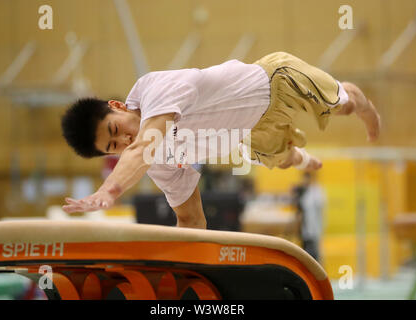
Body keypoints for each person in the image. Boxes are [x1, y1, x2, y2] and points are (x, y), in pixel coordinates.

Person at [60, 51, 381, 229]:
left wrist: (108, 190)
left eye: (116, 130)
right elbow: (189, 218)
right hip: (252, 131)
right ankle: (302, 158)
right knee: (283, 160)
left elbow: (143, 146)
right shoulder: (155, 163)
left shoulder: (154, 89)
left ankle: (362, 104)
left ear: (117, 107)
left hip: (275, 80)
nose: (125, 140)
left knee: (344, 106)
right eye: (114, 147)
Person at [292, 172, 325, 262]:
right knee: (306, 252)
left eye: (306, 179)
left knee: (315, 253)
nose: (304, 181)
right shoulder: (305, 191)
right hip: (305, 228)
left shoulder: (316, 191)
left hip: (314, 227)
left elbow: (319, 207)